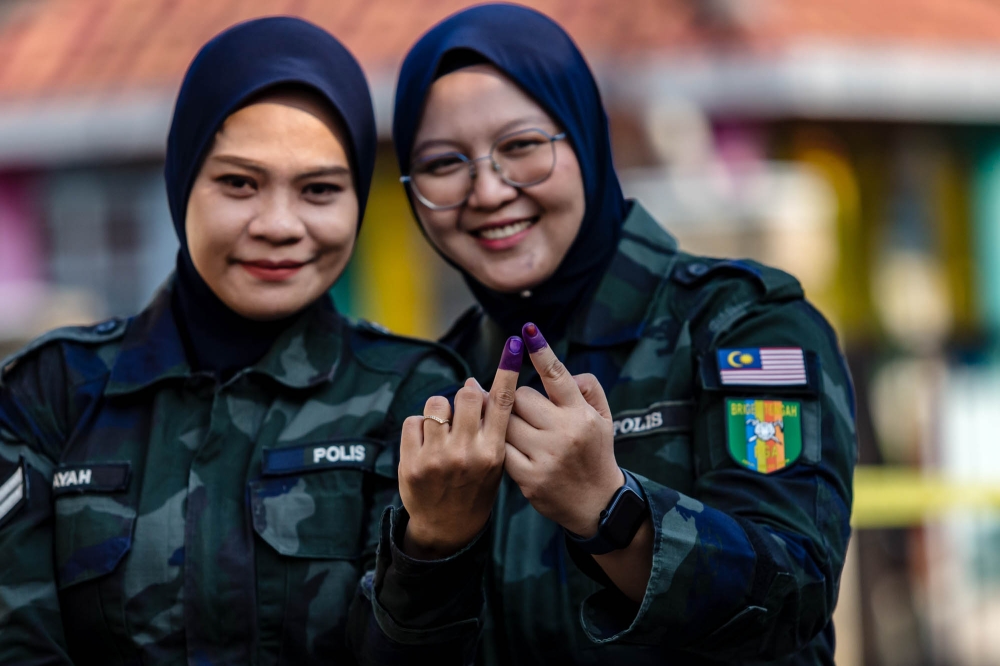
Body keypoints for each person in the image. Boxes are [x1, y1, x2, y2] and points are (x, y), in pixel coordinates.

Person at [0, 17, 521, 665]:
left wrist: (433, 546)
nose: (279, 225)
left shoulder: (416, 399)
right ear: (181, 182)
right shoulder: (50, 395)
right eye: (239, 183)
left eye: (320, 190)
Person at [391, 4, 858, 664]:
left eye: (522, 146)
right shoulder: (433, 382)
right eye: (443, 163)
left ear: (582, 138)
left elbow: (794, 595)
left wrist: (610, 510)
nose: (488, 191)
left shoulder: (742, 327)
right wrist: (429, 548)